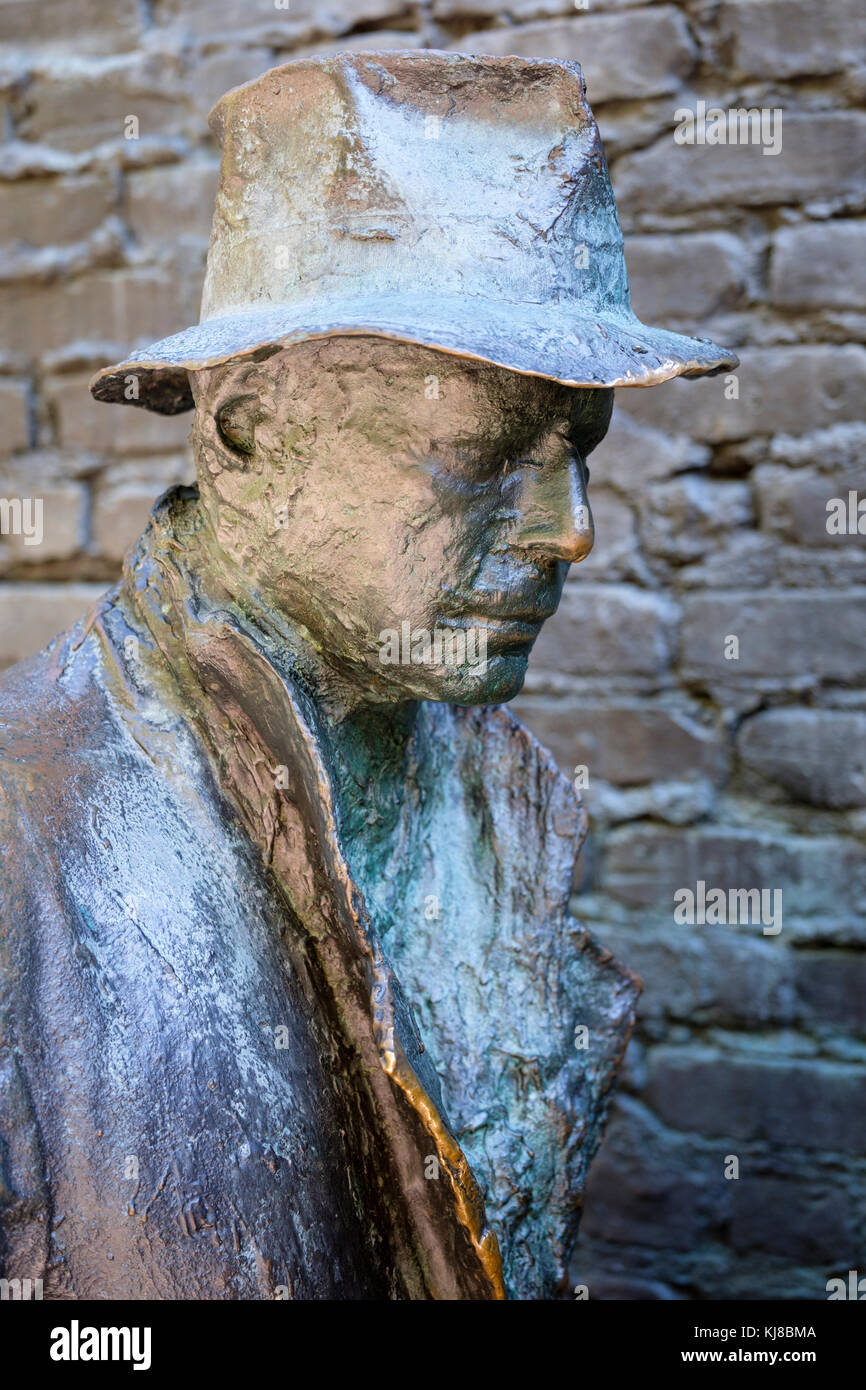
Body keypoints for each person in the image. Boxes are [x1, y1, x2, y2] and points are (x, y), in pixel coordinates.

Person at [0, 50, 736, 1300]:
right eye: (484, 456)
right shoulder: (26, 831)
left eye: (579, 454)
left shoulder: (490, 797)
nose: (571, 530)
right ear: (245, 436)